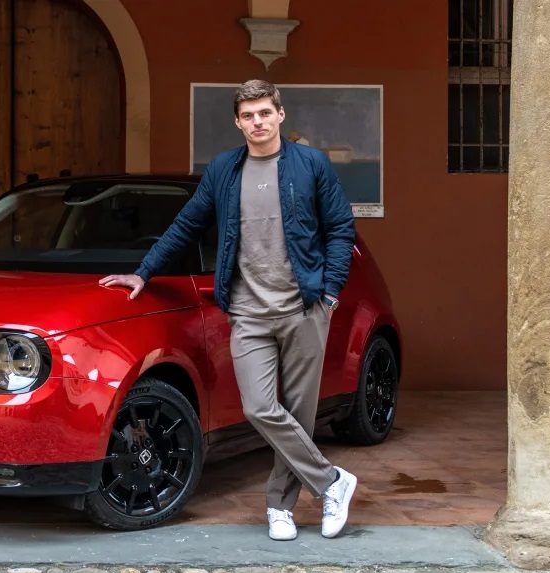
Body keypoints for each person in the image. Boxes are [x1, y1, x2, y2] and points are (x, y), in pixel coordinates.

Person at [98, 79, 358, 540]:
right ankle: (332, 481)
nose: (257, 122)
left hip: (304, 308)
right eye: (248, 115)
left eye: (264, 112)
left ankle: (280, 507)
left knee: (299, 413)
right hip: (248, 311)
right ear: (238, 122)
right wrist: (145, 271)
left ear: (280, 114)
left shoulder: (311, 165)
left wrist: (331, 294)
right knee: (260, 407)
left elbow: (340, 229)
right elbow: (187, 224)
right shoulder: (224, 170)